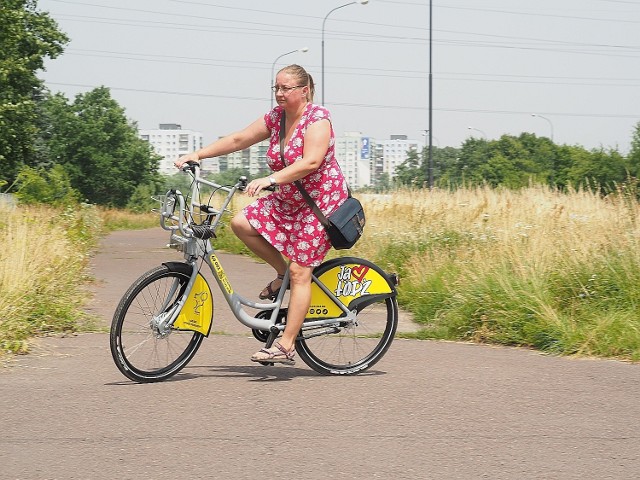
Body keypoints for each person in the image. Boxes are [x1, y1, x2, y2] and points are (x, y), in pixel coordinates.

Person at [175, 64, 349, 365]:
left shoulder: (317, 119)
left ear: (304, 90)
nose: (279, 94)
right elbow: (238, 139)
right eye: (276, 88)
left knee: (301, 271)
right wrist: (198, 154)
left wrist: (271, 180)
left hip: (320, 205)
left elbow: (310, 162)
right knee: (241, 223)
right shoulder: (276, 118)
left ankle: (285, 345)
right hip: (288, 200)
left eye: (286, 88)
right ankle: (281, 274)